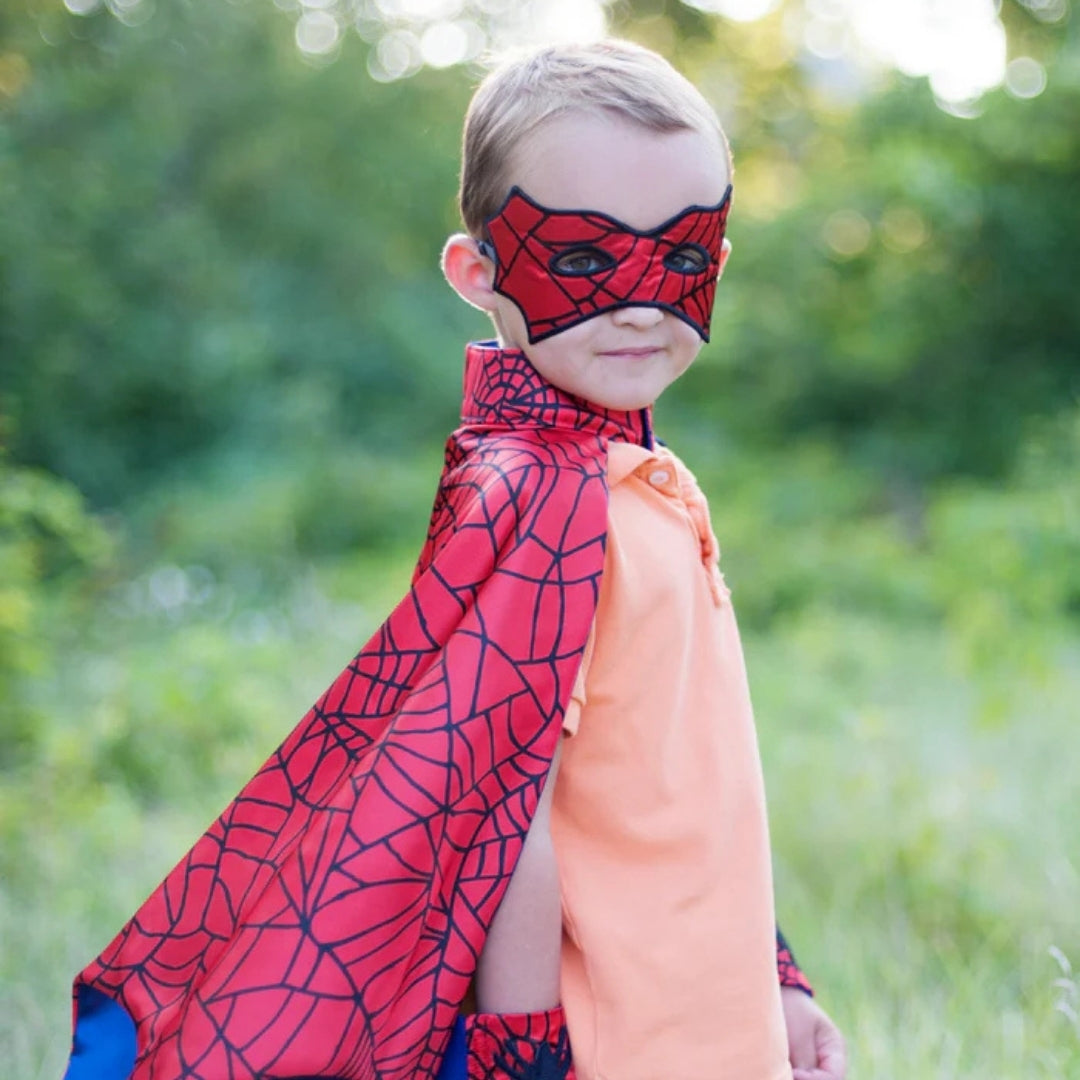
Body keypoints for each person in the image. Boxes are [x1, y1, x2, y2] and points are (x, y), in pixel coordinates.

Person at [63, 40, 845, 1080]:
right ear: (478, 273)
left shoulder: (623, 472)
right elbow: (505, 803)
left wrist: (773, 981)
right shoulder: (550, 495)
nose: (643, 303)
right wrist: (519, 1048)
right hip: (614, 1038)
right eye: (580, 258)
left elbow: (677, 785)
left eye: (685, 258)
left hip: (698, 1016)